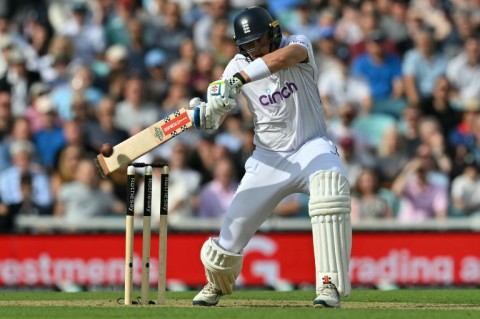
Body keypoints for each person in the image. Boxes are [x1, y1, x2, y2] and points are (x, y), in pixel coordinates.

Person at [188, 6, 352, 308]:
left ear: (274, 33)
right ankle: (216, 285)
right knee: (228, 240)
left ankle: (329, 285)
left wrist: (237, 80)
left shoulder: (297, 45)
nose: (256, 49)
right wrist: (207, 113)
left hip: (311, 147)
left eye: (261, 41)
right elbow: (216, 119)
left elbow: (279, 60)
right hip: (268, 159)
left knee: (330, 186)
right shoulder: (235, 66)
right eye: (249, 45)